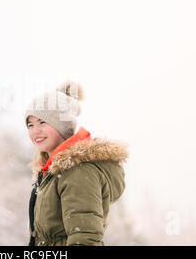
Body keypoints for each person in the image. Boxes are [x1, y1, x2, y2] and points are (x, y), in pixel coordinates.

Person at [25, 80, 128, 246]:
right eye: (30, 125)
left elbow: (85, 239)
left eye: (42, 122)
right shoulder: (51, 172)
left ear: (62, 125)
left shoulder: (77, 172)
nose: (35, 131)